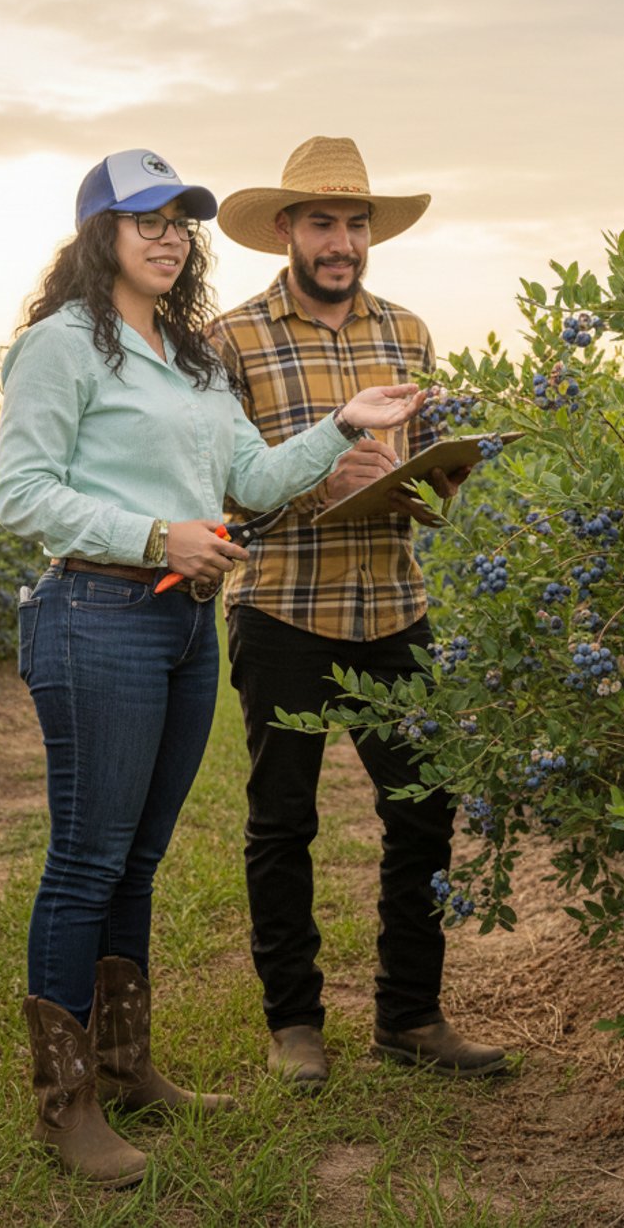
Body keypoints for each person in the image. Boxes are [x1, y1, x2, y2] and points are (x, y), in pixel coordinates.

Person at [0, 148, 425, 1187]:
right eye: (147, 217)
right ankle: (67, 1103)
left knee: (137, 860)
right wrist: (158, 535)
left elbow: (253, 476)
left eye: (182, 219)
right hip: (95, 610)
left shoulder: (188, 355)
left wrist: (339, 426)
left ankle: (129, 1063)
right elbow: (23, 494)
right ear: (101, 234)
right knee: (86, 861)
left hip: (183, 623)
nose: (170, 233)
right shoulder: (59, 347)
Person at [208, 135, 506, 1095]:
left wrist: (420, 485)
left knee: (423, 813)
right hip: (283, 605)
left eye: (355, 224)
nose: (341, 241)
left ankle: (411, 1016)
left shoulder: (409, 333)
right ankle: (294, 1025)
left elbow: (425, 484)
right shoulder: (231, 339)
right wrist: (317, 479)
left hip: (394, 602)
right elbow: (220, 488)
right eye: (323, 223)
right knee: (281, 821)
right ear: (286, 230)